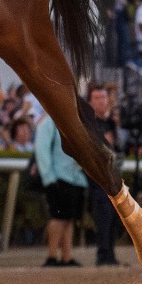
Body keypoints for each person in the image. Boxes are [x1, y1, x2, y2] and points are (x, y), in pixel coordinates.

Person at [35, 109, 88, 266]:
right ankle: (51, 255)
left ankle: (67, 256)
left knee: (68, 218)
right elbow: (41, 149)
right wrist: (48, 178)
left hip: (74, 178)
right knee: (58, 217)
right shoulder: (49, 122)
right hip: (57, 177)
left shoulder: (71, 122)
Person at [85, 83, 122, 266]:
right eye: (97, 98)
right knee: (104, 215)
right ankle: (103, 254)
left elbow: (118, 147)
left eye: (104, 98)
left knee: (115, 215)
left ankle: (111, 254)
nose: (102, 101)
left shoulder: (110, 123)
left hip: (112, 174)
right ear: (90, 101)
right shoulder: (88, 122)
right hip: (97, 177)